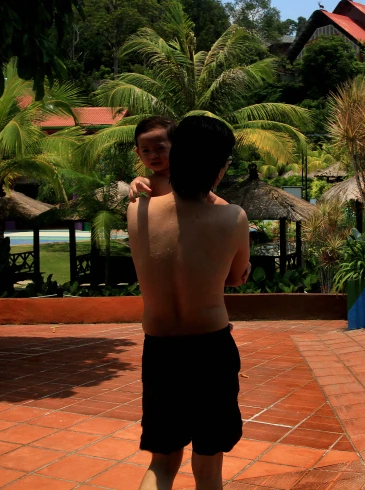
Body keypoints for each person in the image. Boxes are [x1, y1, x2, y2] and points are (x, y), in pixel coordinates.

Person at [127, 116, 250, 490]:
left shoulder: (138, 210)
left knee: (162, 462)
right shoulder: (232, 217)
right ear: (220, 166)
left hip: (161, 349)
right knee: (208, 467)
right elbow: (235, 277)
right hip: (210, 348)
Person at [129, 116, 227, 205]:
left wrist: (228, 208)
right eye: (146, 150)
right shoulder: (152, 181)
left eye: (160, 148)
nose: (153, 156)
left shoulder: (188, 177)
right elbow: (143, 182)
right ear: (139, 154)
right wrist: (136, 183)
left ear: (176, 147)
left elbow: (211, 198)